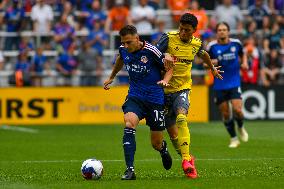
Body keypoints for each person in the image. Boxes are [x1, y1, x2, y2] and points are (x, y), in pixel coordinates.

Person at [156, 13, 223, 179]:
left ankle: (186, 160)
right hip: (163, 90)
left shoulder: (196, 43)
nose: (183, 33)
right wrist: (163, 55)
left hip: (182, 88)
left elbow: (204, 54)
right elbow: (153, 54)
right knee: (173, 135)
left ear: (194, 30)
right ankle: (188, 159)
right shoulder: (168, 38)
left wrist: (211, 68)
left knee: (181, 118)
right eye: (181, 29)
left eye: (187, 30)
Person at [103, 25, 174, 180]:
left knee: (155, 143)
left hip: (155, 99)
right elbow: (120, 59)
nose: (125, 46)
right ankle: (130, 170)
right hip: (135, 96)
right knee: (129, 124)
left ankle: (163, 149)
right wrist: (112, 76)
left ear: (137, 38)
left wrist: (165, 81)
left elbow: (169, 68)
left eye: (128, 42)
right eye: (123, 42)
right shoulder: (123, 49)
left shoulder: (152, 51)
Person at [206, 22, 249, 148]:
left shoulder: (236, 43)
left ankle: (240, 127)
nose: (222, 32)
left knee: (238, 110)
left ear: (228, 31)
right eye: (219, 30)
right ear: (216, 32)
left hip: (234, 81)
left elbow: (243, 54)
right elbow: (204, 63)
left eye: (224, 29)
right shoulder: (212, 46)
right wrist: (211, 62)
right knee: (225, 113)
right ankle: (234, 138)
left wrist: (245, 63)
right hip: (219, 83)